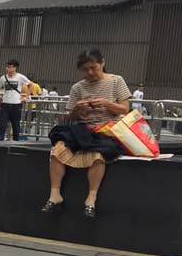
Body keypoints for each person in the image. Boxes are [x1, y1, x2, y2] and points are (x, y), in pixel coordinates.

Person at [43, 48, 133, 219]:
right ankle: (54, 195)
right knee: (58, 148)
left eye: (93, 68)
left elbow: (124, 109)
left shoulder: (116, 81)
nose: (90, 72)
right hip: (84, 129)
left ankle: (91, 198)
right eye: (85, 69)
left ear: (102, 63)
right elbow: (71, 117)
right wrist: (77, 109)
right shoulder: (77, 87)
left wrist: (106, 104)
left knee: (98, 154)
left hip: (108, 130)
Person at [0, 59, 32, 142]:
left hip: (16, 105)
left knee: (16, 125)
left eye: (10, 67)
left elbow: (31, 85)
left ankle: (16, 142)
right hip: (5, 104)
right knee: (2, 125)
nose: (8, 69)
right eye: (7, 67)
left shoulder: (20, 77)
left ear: (15, 68)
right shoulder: (3, 78)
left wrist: (26, 97)